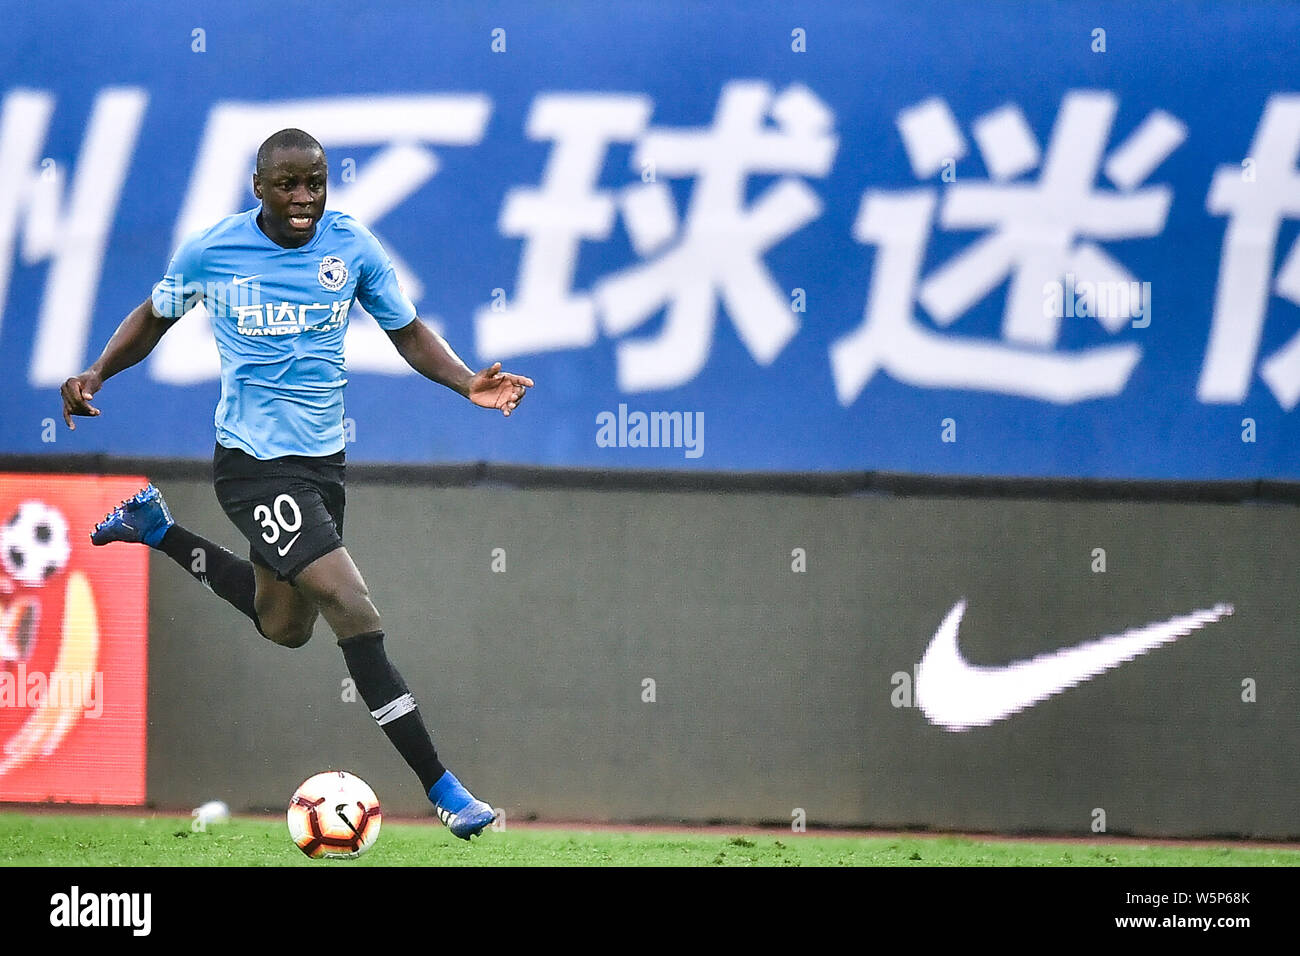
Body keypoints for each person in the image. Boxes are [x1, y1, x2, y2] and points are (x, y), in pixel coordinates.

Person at [59, 128, 533, 840]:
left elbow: (406, 331)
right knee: (350, 601)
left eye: (315, 182)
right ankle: (444, 789)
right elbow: (154, 317)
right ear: (259, 187)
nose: (304, 197)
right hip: (250, 464)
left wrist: (467, 382)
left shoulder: (352, 247)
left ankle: (158, 529)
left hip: (322, 465)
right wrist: (97, 372)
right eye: (288, 184)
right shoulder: (213, 250)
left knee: (284, 626)